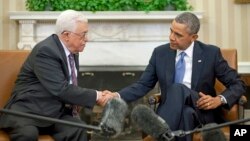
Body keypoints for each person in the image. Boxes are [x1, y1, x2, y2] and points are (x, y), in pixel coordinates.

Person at [101, 12, 246, 141]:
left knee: (177, 89)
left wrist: (219, 100)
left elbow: (238, 83)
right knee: (186, 114)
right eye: (171, 31)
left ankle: (160, 131)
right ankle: (165, 135)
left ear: (193, 37)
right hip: (175, 112)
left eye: (178, 35)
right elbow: (143, 84)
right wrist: (117, 95)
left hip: (201, 110)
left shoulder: (210, 53)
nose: (171, 37)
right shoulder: (160, 53)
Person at [0, 10, 108, 141]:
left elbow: (69, 84)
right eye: (83, 34)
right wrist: (97, 96)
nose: (87, 39)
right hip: (27, 112)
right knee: (28, 134)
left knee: (78, 128)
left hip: (54, 112)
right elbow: (61, 89)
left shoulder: (72, 51)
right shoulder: (46, 51)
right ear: (66, 35)